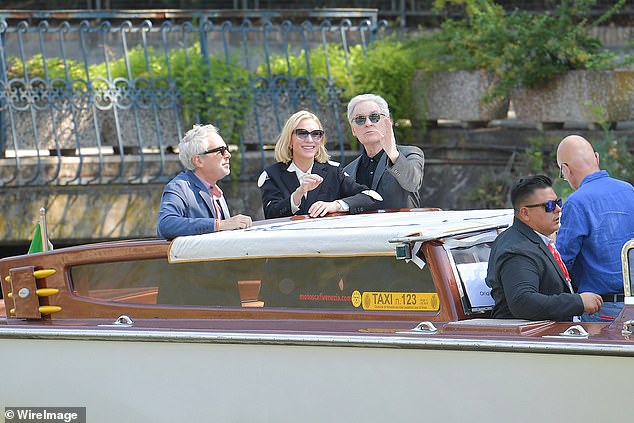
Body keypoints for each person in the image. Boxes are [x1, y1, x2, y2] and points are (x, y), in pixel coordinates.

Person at [486, 175, 603, 321]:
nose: (558, 209)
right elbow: (523, 302)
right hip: (530, 339)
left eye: (557, 202)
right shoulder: (517, 249)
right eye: (549, 206)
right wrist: (578, 302)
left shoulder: (533, 240)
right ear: (525, 213)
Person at [556, 134, 634, 321]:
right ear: (597, 158)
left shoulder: (576, 203)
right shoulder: (629, 190)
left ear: (566, 170)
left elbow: (562, 263)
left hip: (602, 309)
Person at [258, 110, 381, 219]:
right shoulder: (272, 175)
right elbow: (270, 214)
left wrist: (336, 205)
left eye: (316, 134)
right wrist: (297, 194)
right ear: (289, 140)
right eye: (302, 133)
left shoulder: (334, 171)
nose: (310, 140)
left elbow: (372, 197)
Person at [157, 124, 252, 239]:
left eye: (227, 149)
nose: (228, 155)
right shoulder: (179, 187)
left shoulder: (216, 192)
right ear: (198, 160)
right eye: (220, 151)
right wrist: (219, 225)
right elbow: (166, 225)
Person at [343, 93, 425, 209]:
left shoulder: (409, 154)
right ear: (353, 130)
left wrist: (392, 154)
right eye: (360, 119)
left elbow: (412, 183)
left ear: (388, 122)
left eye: (374, 117)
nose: (368, 123)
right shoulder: (348, 171)